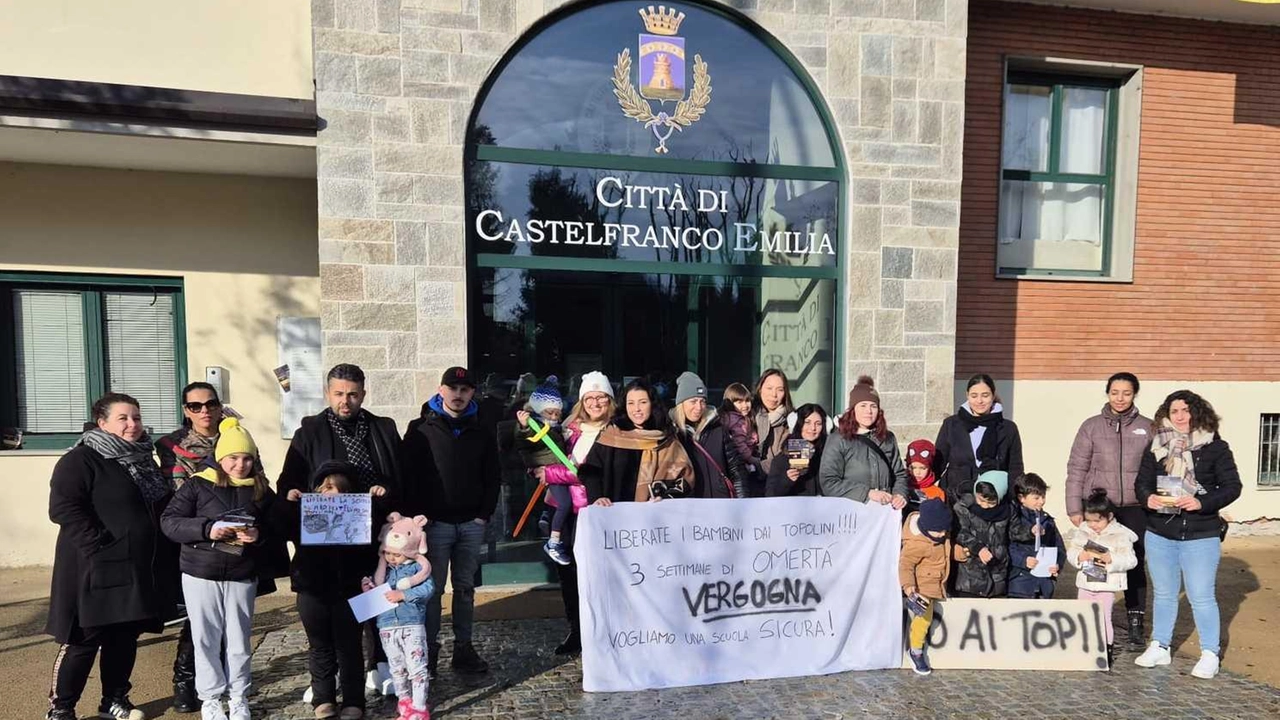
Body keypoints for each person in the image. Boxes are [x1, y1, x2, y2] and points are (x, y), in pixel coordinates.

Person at [47, 393, 179, 720]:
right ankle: (61, 708)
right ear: (102, 423)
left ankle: (114, 699)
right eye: (123, 418)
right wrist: (99, 545)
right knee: (83, 638)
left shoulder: (144, 459)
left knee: (124, 636)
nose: (132, 425)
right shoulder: (81, 459)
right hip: (93, 566)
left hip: (135, 567)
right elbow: (63, 508)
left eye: (136, 417)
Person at [277, 363, 398, 693]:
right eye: (339, 394)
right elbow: (289, 480)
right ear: (328, 393)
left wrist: (388, 494)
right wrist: (291, 494)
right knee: (332, 607)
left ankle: (379, 662)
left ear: (363, 394)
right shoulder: (309, 432)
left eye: (353, 394)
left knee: (375, 593)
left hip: (376, 525)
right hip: (328, 537)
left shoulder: (383, 428)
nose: (346, 401)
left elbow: (399, 476)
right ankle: (325, 679)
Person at [160, 418, 282, 720]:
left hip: (241, 573)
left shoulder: (261, 489)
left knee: (239, 639)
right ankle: (211, 699)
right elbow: (170, 522)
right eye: (233, 458)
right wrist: (207, 528)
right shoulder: (197, 484)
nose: (239, 464)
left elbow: (279, 526)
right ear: (220, 457)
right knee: (205, 638)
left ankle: (239, 696)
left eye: (246, 458)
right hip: (201, 572)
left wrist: (259, 535)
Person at [1133, 390, 1241, 679]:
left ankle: (1209, 652)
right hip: (1160, 531)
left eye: (1185, 410)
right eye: (1174, 411)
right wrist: (1148, 499)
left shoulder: (1215, 447)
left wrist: (1201, 503)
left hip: (1201, 534)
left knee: (1201, 595)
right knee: (1165, 594)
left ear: (1197, 412)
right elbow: (1141, 483)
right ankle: (1160, 645)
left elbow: (1232, 487)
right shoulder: (1156, 446)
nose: (1180, 416)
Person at [400, 367, 500, 678]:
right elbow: (408, 476)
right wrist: (417, 519)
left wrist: (483, 514)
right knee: (430, 590)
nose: (458, 395)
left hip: (470, 523)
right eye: (452, 388)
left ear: (473, 393)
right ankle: (427, 651)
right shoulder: (420, 429)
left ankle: (464, 648)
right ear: (441, 390)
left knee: (466, 588)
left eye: (465, 389)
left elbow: (492, 475)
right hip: (436, 525)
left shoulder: (482, 429)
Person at [1066, 371, 1154, 649]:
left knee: (1135, 562)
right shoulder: (1091, 427)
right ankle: (1096, 618)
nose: (1120, 398)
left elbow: (1158, 469)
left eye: (1126, 393)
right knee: (1095, 558)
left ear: (1134, 394)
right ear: (1107, 393)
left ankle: (1136, 620)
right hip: (1100, 506)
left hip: (1135, 506)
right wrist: (1074, 506)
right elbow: (1077, 467)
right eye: (1115, 392)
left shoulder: (1148, 427)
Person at [280, 461, 374, 720]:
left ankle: (354, 700)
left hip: (351, 589)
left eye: (338, 488)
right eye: (325, 487)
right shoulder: (303, 512)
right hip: (312, 589)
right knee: (319, 646)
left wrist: (379, 496)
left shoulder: (362, 513)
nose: (331, 492)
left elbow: (374, 543)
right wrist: (289, 502)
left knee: (351, 647)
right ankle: (324, 698)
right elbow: (280, 527)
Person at [155, 381, 226, 713]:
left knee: (227, 615)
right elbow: (181, 492)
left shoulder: (234, 436)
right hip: (195, 535)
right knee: (198, 615)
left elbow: (254, 476)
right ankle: (185, 680)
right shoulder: (173, 445)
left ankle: (220, 678)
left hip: (233, 533)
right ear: (185, 410)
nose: (204, 411)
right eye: (195, 406)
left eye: (210, 404)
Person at [542, 371, 616, 656]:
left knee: (598, 575)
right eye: (590, 398)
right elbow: (541, 458)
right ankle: (576, 629)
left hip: (596, 510)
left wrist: (551, 473)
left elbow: (588, 474)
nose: (596, 403)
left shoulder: (615, 432)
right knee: (568, 574)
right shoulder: (569, 429)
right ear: (582, 401)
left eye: (601, 397)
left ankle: (602, 630)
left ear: (609, 400)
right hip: (567, 514)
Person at [362, 515, 436, 720]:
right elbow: (377, 594)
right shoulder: (382, 572)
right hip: (387, 627)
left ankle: (420, 707)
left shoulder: (416, 569)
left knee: (417, 668)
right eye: (388, 553)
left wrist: (404, 595)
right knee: (397, 668)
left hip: (411, 624)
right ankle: (405, 702)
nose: (392, 558)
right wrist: (369, 589)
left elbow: (428, 589)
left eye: (397, 554)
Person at [580, 378, 697, 506]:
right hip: (613, 516)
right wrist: (597, 497)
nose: (636, 409)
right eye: (630, 403)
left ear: (652, 404)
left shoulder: (666, 438)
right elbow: (591, 471)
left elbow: (685, 478)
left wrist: (666, 498)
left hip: (653, 519)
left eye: (642, 402)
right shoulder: (611, 435)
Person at [1067, 489, 1139, 664]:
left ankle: (1106, 647)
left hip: (1106, 584)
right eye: (1089, 521)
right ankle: (1083, 646)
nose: (1093, 525)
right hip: (1086, 582)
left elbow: (1131, 560)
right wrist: (1079, 556)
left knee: (1103, 616)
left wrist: (1112, 559)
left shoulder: (1121, 535)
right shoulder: (1084, 531)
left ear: (1109, 516)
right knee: (1083, 614)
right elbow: (1072, 550)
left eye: (1097, 521)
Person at [818, 376, 908, 508]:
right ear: (853, 409)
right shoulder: (838, 439)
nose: (869, 411)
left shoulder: (888, 438)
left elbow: (899, 474)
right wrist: (867, 493)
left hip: (884, 516)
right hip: (852, 514)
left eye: (873, 406)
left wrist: (900, 494)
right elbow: (828, 482)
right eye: (863, 405)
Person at [513, 377, 575, 564]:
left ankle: (547, 516)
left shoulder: (553, 427)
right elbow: (524, 438)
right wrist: (524, 426)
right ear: (539, 410)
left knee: (558, 501)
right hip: (550, 469)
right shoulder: (537, 427)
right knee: (565, 503)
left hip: (556, 469)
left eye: (558, 412)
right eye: (550, 411)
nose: (555, 416)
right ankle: (554, 541)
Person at [932, 374, 1024, 501]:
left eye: (985, 395)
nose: (979, 401)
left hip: (992, 500)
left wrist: (1014, 499)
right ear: (967, 395)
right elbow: (938, 462)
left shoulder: (1008, 428)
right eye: (974, 396)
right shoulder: (951, 424)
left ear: (993, 395)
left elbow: (1015, 468)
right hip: (955, 498)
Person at [900, 499, 952, 676]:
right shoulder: (917, 543)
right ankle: (915, 651)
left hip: (935, 583)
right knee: (923, 621)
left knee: (924, 621)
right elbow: (905, 565)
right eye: (938, 531)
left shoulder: (939, 534)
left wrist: (962, 553)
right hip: (922, 589)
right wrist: (908, 586)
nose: (943, 533)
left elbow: (947, 551)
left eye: (944, 530)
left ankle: (916, 649)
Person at [671, 371, 740, 500]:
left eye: (702, 401)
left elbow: (736, 470)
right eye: (693, 401)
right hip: (689, 509)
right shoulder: (672, 435)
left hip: (720, 506)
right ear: (681, 403)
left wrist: (742, 504)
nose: (699, 407)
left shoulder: (718, 429)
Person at [951, 470, 1018, 598]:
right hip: (970, 574)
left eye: (991, 503)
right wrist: (978, 548)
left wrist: (1030, 532)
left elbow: (1014, 532)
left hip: (997, 573)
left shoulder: (1008, 510)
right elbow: (960, 531)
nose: (985, 506)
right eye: (981, 500)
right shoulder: (963, 507)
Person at [1006, 473, 1065, 599]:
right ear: (1022, 498)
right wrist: (1023, 560)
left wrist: (1057, 565)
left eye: (1043, 497)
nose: (1041, 501)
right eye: (1036, 498)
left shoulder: (1048, 521)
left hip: (1044, 585)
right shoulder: (1015, 519)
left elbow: (1059, 548)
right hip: (1020, 584)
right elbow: (1007, 546)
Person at [764, 404, 829, 497]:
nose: (813, 428)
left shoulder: (828, 454)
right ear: (798, 424)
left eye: (818, 423)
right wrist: (787, 480)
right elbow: (770, 494)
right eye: (807, 422)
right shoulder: (782, 459)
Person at [751, 369, 794, 486]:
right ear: (760, 389)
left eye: (780, 390)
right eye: (769, 388)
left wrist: (756, 467)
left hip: (781, 486)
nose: (774, 395)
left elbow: (793, 461)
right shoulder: (747, 416)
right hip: (749, 485)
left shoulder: (793, 420)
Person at [718, 382, 762, 498]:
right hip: (741, 463)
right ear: (730, 403)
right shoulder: (736, 420)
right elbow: (740, 444)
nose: (745, 405)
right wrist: (753, 459)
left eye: (747, 401)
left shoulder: (742, 418)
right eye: (739, 402)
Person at [905, 439, 945, 509]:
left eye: (922, 468)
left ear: (930, 468)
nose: (917, 472)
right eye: (913, 468)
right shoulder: (902, 488)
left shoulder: (937, 493)